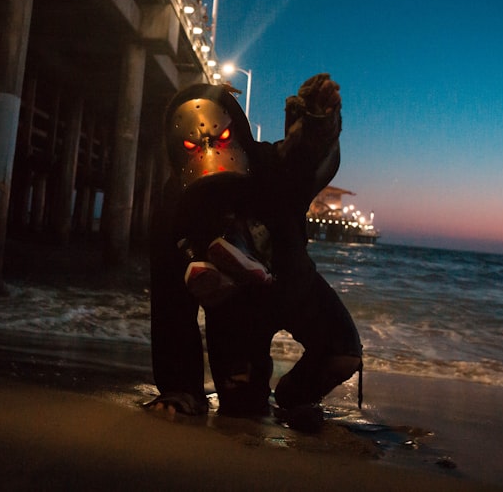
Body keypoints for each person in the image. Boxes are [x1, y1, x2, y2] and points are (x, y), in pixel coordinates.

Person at [147, 74, 363, 431]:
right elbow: (171, 306)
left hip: (294, 287)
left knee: (343, 354)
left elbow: (308, 160)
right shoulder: (174, 208)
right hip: (234, 314)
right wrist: (179, 389)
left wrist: (317, 121)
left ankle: (293, 397)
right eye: (191, 146)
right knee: (243, 410)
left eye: (223, 136)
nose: (210, 150)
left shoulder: (269, 165)